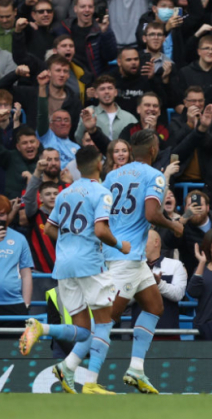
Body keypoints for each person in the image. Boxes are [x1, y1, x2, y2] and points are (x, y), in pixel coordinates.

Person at [20, 146, 131, 395]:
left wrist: (71, 242)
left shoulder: (64, 194)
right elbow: (101, 231)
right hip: (90, 264)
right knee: (105, 323)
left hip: (64, 266)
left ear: (77, 168)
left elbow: (49, 229)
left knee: (83, 331)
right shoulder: (101, 193)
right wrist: (120, 246)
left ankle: (45, 334)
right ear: (100, 164)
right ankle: (91, 382)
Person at [101, 129, 188, 394]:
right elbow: (152, 213)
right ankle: (69, 364)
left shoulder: (112, 175)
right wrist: (173, 225)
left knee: (154, 306)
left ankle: (136, 369)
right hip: (126, 258)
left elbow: (100, 212)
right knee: (107, 320)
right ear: (153, 151)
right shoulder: (155, 176)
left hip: (120, 253)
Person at [140, 229, 187, 332]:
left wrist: (159, 284)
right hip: (139, 332)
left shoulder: (175, 265)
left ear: (156, 242)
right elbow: (125, 300)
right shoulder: (133, 267)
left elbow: (178, 294)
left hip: (167, 332)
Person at [0, 194, 33, 327]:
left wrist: (26, 303)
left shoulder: (19, 239)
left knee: (14, 346)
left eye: (2, 214)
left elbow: (26, 273)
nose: (0, 218)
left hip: (14, 304)